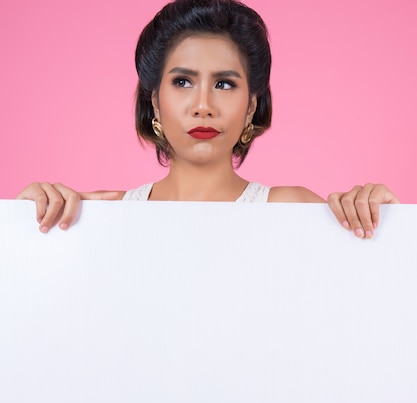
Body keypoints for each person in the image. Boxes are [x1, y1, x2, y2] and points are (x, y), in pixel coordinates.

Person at [17, 0, 399, 237]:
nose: (203, 106)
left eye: (225, 84)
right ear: (155, 99)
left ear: (251, 106)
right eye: (183, 81)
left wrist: (386, 224)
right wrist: (23, 216)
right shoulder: (100, 215)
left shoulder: (293, 211)